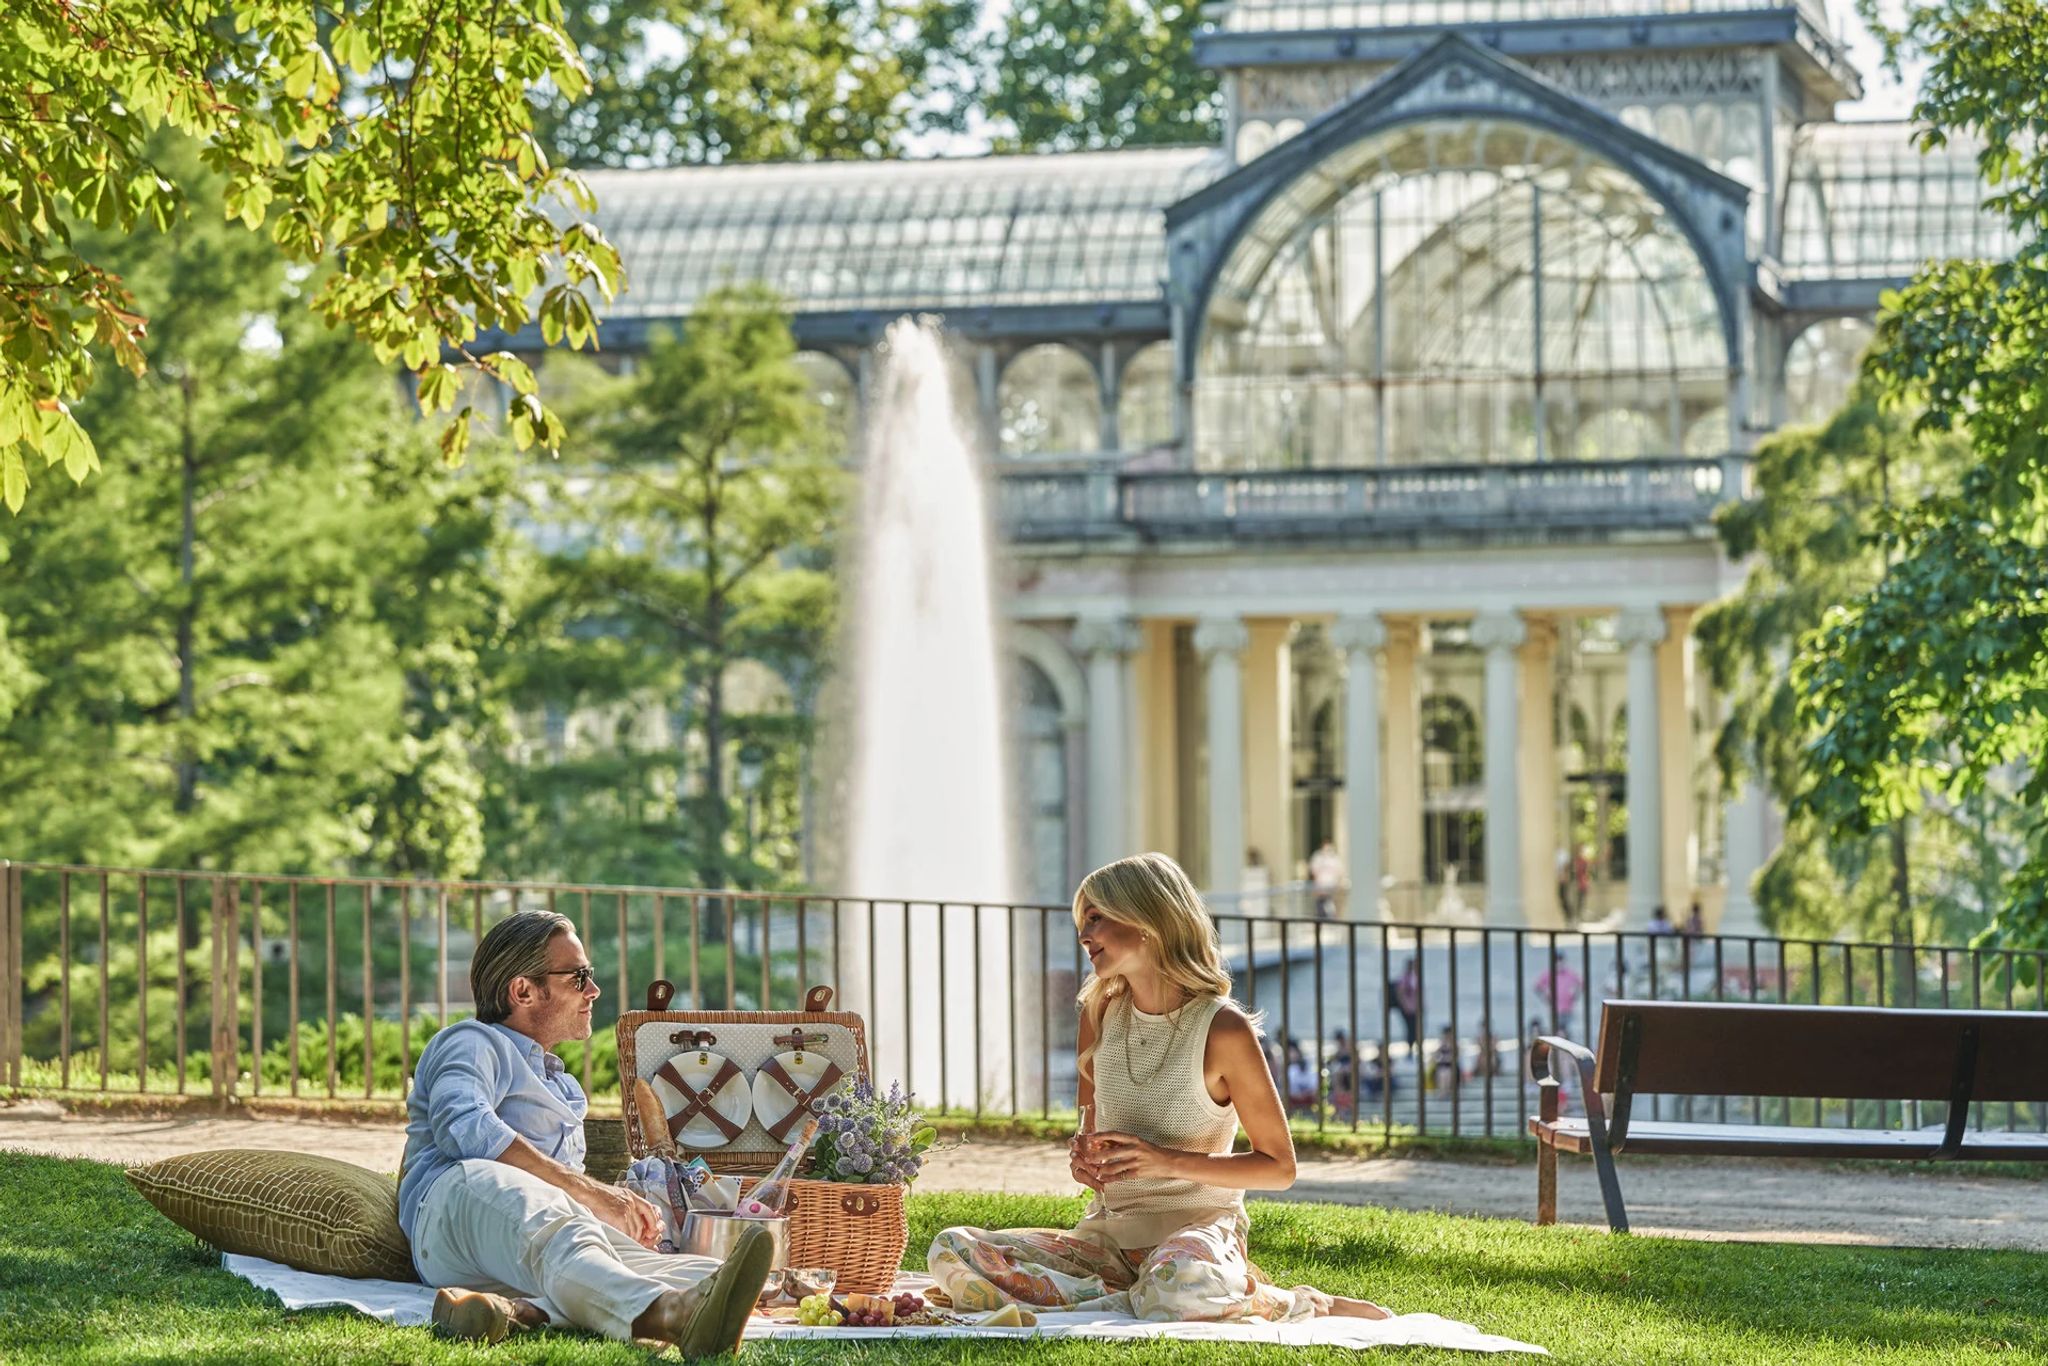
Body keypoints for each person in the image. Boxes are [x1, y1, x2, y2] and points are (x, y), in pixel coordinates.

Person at [927, 853, 1389, 1323]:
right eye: (1082, 922)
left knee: (1177, 1284)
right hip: (1106, 1241)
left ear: (1146, 920)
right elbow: (1090, 1137)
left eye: (1096, 918)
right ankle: (1138, 1298)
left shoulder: (1222, 1029)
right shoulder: (1098, 1015)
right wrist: (1085, 1163)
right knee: (952, 1248)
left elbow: (1280, 1168)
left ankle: (1295, 1301)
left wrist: (1165, 1161)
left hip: (1196, 1237)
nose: (1084, 935)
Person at [398, 911, 771, 1350]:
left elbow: (560, 1202)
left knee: (702, 1274)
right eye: (579, 977)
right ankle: (670, 1316)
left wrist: (615, 1216)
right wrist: (592, 1194)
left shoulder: (559, 1083)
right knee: (542, 1213)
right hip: (452, 1217)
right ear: (523, 990)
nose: (594, 990)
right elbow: (465, 1128)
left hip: (525, 1244)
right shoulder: (472, 1042)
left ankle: (520, 1313)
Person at [1534, 951, 1582, 1022]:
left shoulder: (1570, 973)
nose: (1559, 963)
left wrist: (1575, 995)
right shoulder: (1548, 974)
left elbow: (1581, 984)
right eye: (1557, 961)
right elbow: (1537, 987)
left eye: (1560, 960)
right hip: (1554, 1009)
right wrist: (1545, 997)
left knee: (1567, 1027)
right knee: (1555, 1027)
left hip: (1568, 1009)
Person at [1309, 841, 1345, 919]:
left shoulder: (1335, 859)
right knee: (1320, 911)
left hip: (1332, 890)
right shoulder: (1318, 857)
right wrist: (1316, 888)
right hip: (1321, 890)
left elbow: (1339, 874)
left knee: (1331, 910)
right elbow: (1314, 873)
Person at [1390, 957, 1420, 1043]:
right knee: (1411, 1028)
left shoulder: (1413, 977)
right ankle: (1411, 1044)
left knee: (1415, 1027)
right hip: (1408, 1008)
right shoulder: (1405, 978)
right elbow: (1400, 993)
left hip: (1413, 1008)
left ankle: (1413, 1043)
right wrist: (1405, 1006)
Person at [1284, 1039, 1317, 1114]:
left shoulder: (1308, 1064)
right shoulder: (1289, 1069)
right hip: (1294, 1100)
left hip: (1309, 1099)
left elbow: (1314, 1085)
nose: (1291, 1055)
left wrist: (1306, 1094)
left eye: (1293, 1052)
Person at [1428, 1023, 1460, 1093]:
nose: (1447, 1036)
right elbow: (1435, 1055)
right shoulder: (1441, 1044)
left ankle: (1447, 1091)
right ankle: (1443, 1092)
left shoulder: (1454, 1044)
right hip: (1441, 1067)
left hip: (1451, 1067)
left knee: (1447, 1074)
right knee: (1442, 1074)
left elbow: (1455, 1056)